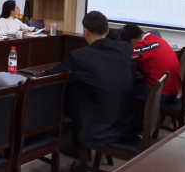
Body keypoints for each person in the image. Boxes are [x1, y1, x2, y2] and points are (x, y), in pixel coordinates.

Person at [42, 11, 136, 150]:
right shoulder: (125, 48)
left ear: (85, 31)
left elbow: (49, 76)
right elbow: (116, 38)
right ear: (107, 31)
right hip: (126, 123)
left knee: (64, 96)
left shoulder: (79, 56)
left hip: (98, 128)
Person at [120, 24, 181, 104]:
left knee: (124, 93)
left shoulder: (143, 45)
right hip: (173, 89)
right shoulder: (156, 39)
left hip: (162, 93)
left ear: (133, 41)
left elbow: (123, 57)